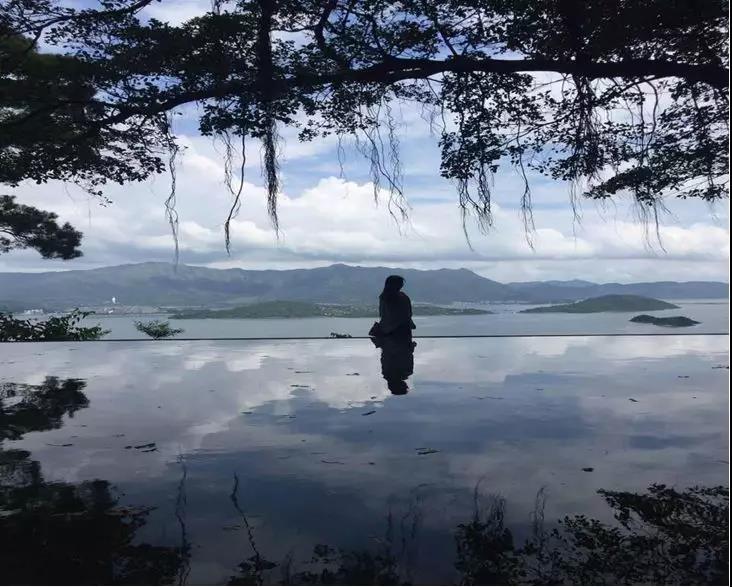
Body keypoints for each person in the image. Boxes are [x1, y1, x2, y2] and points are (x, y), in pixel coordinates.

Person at [376, 275, 415, 342]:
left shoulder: (383, 297)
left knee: (388, 351)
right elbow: (408, 314)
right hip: (402, 331)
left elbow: (382, 314)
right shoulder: (403, 297)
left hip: (386, 331)